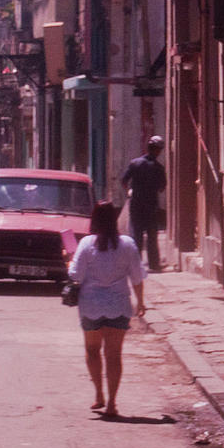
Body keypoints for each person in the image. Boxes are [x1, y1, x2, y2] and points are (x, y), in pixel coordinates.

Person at [68, 200, 146, 417]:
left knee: (92, 351)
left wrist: (68, 262)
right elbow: (137, 277)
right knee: (114, 355)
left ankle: (98, 395)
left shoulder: (86, 243)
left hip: (91, 306)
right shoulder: (128, 244)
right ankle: (112, 403)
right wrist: (141, 302)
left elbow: (76, 275)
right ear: (114, 219)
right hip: (119, 305)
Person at [121, 135, 167, 272]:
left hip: (136, 205)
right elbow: (162, 187)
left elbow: (124, 181)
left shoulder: (135, 163)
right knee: (152, 236)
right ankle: (154, 264)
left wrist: (130, 191)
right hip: (151, 207)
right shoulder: (159, 168)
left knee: (137, 235)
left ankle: (136, 264)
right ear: (158, 151)